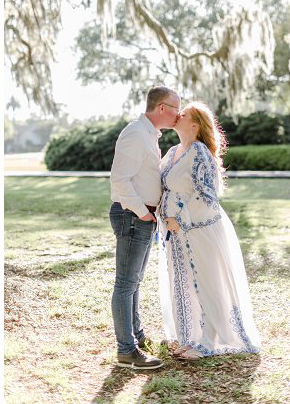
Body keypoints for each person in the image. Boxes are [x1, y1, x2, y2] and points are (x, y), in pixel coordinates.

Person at [156, 101, 260, 360]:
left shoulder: (200, 152)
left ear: (194, 125)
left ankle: (208, 341)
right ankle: (190, 337)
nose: (177, 115)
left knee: (205, 281)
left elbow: (207, 195)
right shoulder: (172, 152)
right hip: (174, 231)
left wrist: (179, 218)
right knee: (183, 281)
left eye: (185, 114)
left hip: (199, 228)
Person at [109, 86, 180, 370]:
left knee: (134, 282)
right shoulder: (136, 134)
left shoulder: (149, 135)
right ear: (162, 108)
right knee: (126, 284)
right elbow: (119, 181)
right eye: (176, 107)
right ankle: (126, 350)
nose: (179, 113)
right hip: (132, 216)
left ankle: (136, 336)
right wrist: (143, 212)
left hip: (143, 217)